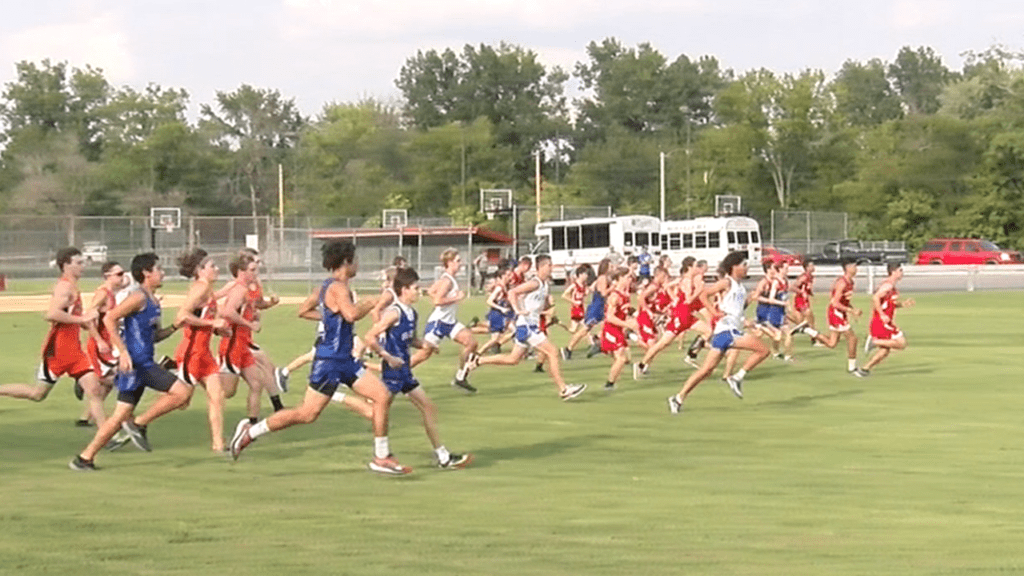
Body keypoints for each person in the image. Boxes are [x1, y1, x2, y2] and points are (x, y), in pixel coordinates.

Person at [230, 240, 411, 475]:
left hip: (345, 359)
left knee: (381, 396)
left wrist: (329, 318)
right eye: (355, 260)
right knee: (306, 414)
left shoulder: (324, 287)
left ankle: (382, 456)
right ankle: (250, 432)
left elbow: (303, 311)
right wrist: (371, 302)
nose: (357, 264)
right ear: (346, 262)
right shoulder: (338, 288)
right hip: (330, 362)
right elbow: (351, 314)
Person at [69, 253, 192, 470]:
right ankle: (139, 424)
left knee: (118, 417)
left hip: (141, 363)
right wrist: (123, 352)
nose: (162, 273)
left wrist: (175, 327)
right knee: (182, 393)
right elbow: (109, 318)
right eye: (158, 269)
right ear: (146, 273)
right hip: (137, 364)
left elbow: (154, 336)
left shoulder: (153, 301)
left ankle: (84, 458)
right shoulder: (138, 297)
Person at [363, 267, 473, 469]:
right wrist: (387, 356)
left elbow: (410, 339)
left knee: (426, 407)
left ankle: (443, 457)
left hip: (405, 372)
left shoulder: (412, 313)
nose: (419, 291)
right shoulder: (393, 313)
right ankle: (381, 456)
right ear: (404, 290)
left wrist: (426, 345)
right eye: (415, 288)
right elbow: (370, 337)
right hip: (393, 372)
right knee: (379, 409)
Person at [1, 247, 107, 429]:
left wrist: (91, 328)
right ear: (66, 265)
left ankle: (105, 434)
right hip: (58, 351)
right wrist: (81, 319)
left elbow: (71, 318)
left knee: (95, 390)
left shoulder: (73, 286)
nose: (83, 266)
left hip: (74, 351)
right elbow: (51, 314)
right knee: (37, 394)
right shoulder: (64, 287)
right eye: (79, 263)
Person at [460, 255, 586, 401]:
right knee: (552, 352)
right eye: (549, 265)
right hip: (527, 326)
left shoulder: (544, 285)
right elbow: (513, 293)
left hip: (527, 325)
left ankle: (477, 361)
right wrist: (517, 309)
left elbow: (535, 304)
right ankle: (563, 389)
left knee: (513, 359)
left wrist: (548, 308)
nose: (552, 268)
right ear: (542, 267)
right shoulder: (535, 283)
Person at [667, 252, 771, 414]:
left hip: (729, 330)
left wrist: (749, 305)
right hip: (726, 331)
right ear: (734, 267)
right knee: (763, 350)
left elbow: (737, 310)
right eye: (743, 265)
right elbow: (703, 295)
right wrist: (713, 312)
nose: (746, 268)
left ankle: (678, 398)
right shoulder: (726, 282)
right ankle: (736, 378)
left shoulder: (741, 287)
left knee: (706, 371)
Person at [172, 248, 230, 452]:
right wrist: (213, 323)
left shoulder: (208, 289)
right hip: (192, 352)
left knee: (218, 396)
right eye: (212, 266)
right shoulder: (200, 288)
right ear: (200, 270)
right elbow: (181, 316)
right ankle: (139, 421)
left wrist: (219, 330)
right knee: (180, 400)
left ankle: (219, 444)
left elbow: (204, 319)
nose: (217, 269)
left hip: (204, 353)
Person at [218, 251, 285, 426]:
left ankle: (252, 426)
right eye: (252, 270)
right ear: (242, 271)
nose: (256, 273)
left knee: (257, 384)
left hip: (243, 345)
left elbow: (253, 307)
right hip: (232, 345)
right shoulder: (238, 289)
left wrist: (265, 307)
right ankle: (193, 374)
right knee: (226, 392)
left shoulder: (248, 289)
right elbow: (227, 312)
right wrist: (250, 324)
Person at [413, 248, 479, 393]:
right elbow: (437, 300)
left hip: (450, 322)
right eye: (458, 261)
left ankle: (460, 378)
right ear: (449, 263)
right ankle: (394, 375)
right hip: (438, 323)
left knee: (471, 343)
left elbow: (431, 291)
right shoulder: (447, 281)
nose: (460, 264)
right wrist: (456, 298)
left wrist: (448, 299)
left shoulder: (447, 278)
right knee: (424, 354)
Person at [791, 258, 869, 377]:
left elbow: (844, 301)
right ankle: (852, 368)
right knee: (853, 338)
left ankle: (807, 330)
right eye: (854, 266)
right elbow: (835, 303)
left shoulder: (850, 282)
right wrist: (851, 310)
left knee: (832, 344)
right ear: (847, 268)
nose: (856, 269)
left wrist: (852, 310)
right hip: (836, 313)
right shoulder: (842, 283)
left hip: (839, 313)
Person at [75, 261, 129, 426]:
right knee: (120, 379)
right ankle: (124, 420)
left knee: (106, 386)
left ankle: (86, 418)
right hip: (100, 347)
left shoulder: (112, 293)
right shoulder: (103, 293)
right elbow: (88, 317)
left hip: (107, 344)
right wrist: (98, 340)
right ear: (107, 276)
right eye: (118, 274)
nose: (122, 277)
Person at [861, 262, 914, 374]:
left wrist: (903, 304)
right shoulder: (887, 285)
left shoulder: (892, 287)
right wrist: (882, 314)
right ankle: (875, 342)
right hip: (882, 322)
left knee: (885, 350)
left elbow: (889, 304)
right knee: (901, 343)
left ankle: (864, 369)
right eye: (900, 271)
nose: (902, 273)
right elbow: (875, 298)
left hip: (884, 321)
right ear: (893, 272)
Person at [562, 258, 612, 360]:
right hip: (596, 308)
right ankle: (568, 348)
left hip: (602, 307)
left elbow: (593, 289)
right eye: (611, 266)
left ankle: (598, 342)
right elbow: (603, 293)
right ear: (606, 267)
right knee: (584, 330)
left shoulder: (605, 278)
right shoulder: (602, 278)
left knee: (608, 325)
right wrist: (613, 288)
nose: (613, 267)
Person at [599, 268, 639, 391]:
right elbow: (609, 317)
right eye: (627, 277)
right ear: (620, 279)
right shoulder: (614, 296)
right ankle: (609, 384)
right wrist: (628, 325)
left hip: (619, 329)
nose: (629, 280)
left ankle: (602, 348)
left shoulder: (625, 295)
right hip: (611, 329)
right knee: (621, 358)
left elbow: (623, 311)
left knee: (626, 359)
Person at [791, 258, 818, 345]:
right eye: (811, 265)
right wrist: (801, 292)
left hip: (804, 300)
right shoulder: (804, 277)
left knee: (802, 321)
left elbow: (807, 288)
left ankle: (795, 325)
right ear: (807, 267)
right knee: (810, 321)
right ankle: (814, 340)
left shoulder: (810, 277)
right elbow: (793, 287)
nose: (813, 267)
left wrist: (811, 294)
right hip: (801, 300)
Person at [561, 264, 591, 334]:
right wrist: (574, 301)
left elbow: (583, 296)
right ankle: (593, 343)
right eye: (585, 274)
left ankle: (560, 324)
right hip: (575, 309)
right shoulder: (574, 285)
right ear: (580, 275)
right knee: (586, 327)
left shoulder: (584, 285)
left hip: (581, 308)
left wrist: (587, 292)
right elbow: (564, 295)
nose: (586, 276)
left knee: (574, 330)